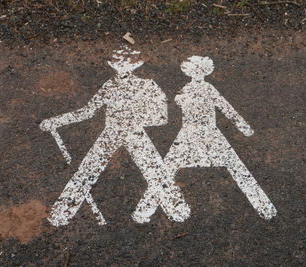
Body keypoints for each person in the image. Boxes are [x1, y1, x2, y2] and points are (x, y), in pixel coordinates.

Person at [40, 48, 189, 226]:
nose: (122, 66)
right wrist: (57, 121)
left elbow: (161, 117)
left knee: (156, 172)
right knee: (87, 171)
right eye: (117, 62)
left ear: (136, 64)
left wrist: (134, 119)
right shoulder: (109, 85)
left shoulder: (147, 85)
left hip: (135, 132)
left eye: (127, 62)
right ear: (112, 64)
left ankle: (177, 209)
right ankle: (62, 212)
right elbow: (87, 111)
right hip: (111, 133)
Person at [135, 56, 277, 220]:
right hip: (198, 133)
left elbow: (224, 106)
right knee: (168, 170)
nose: (197, 73)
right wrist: (244, 127)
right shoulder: (190, 90)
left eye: (200, 70)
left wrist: (244, 127)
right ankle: (265, 209)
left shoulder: (192, 90)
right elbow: (224, 106)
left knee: (168, 170)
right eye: (195, 70)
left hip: (201, 133)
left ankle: (144, 210)